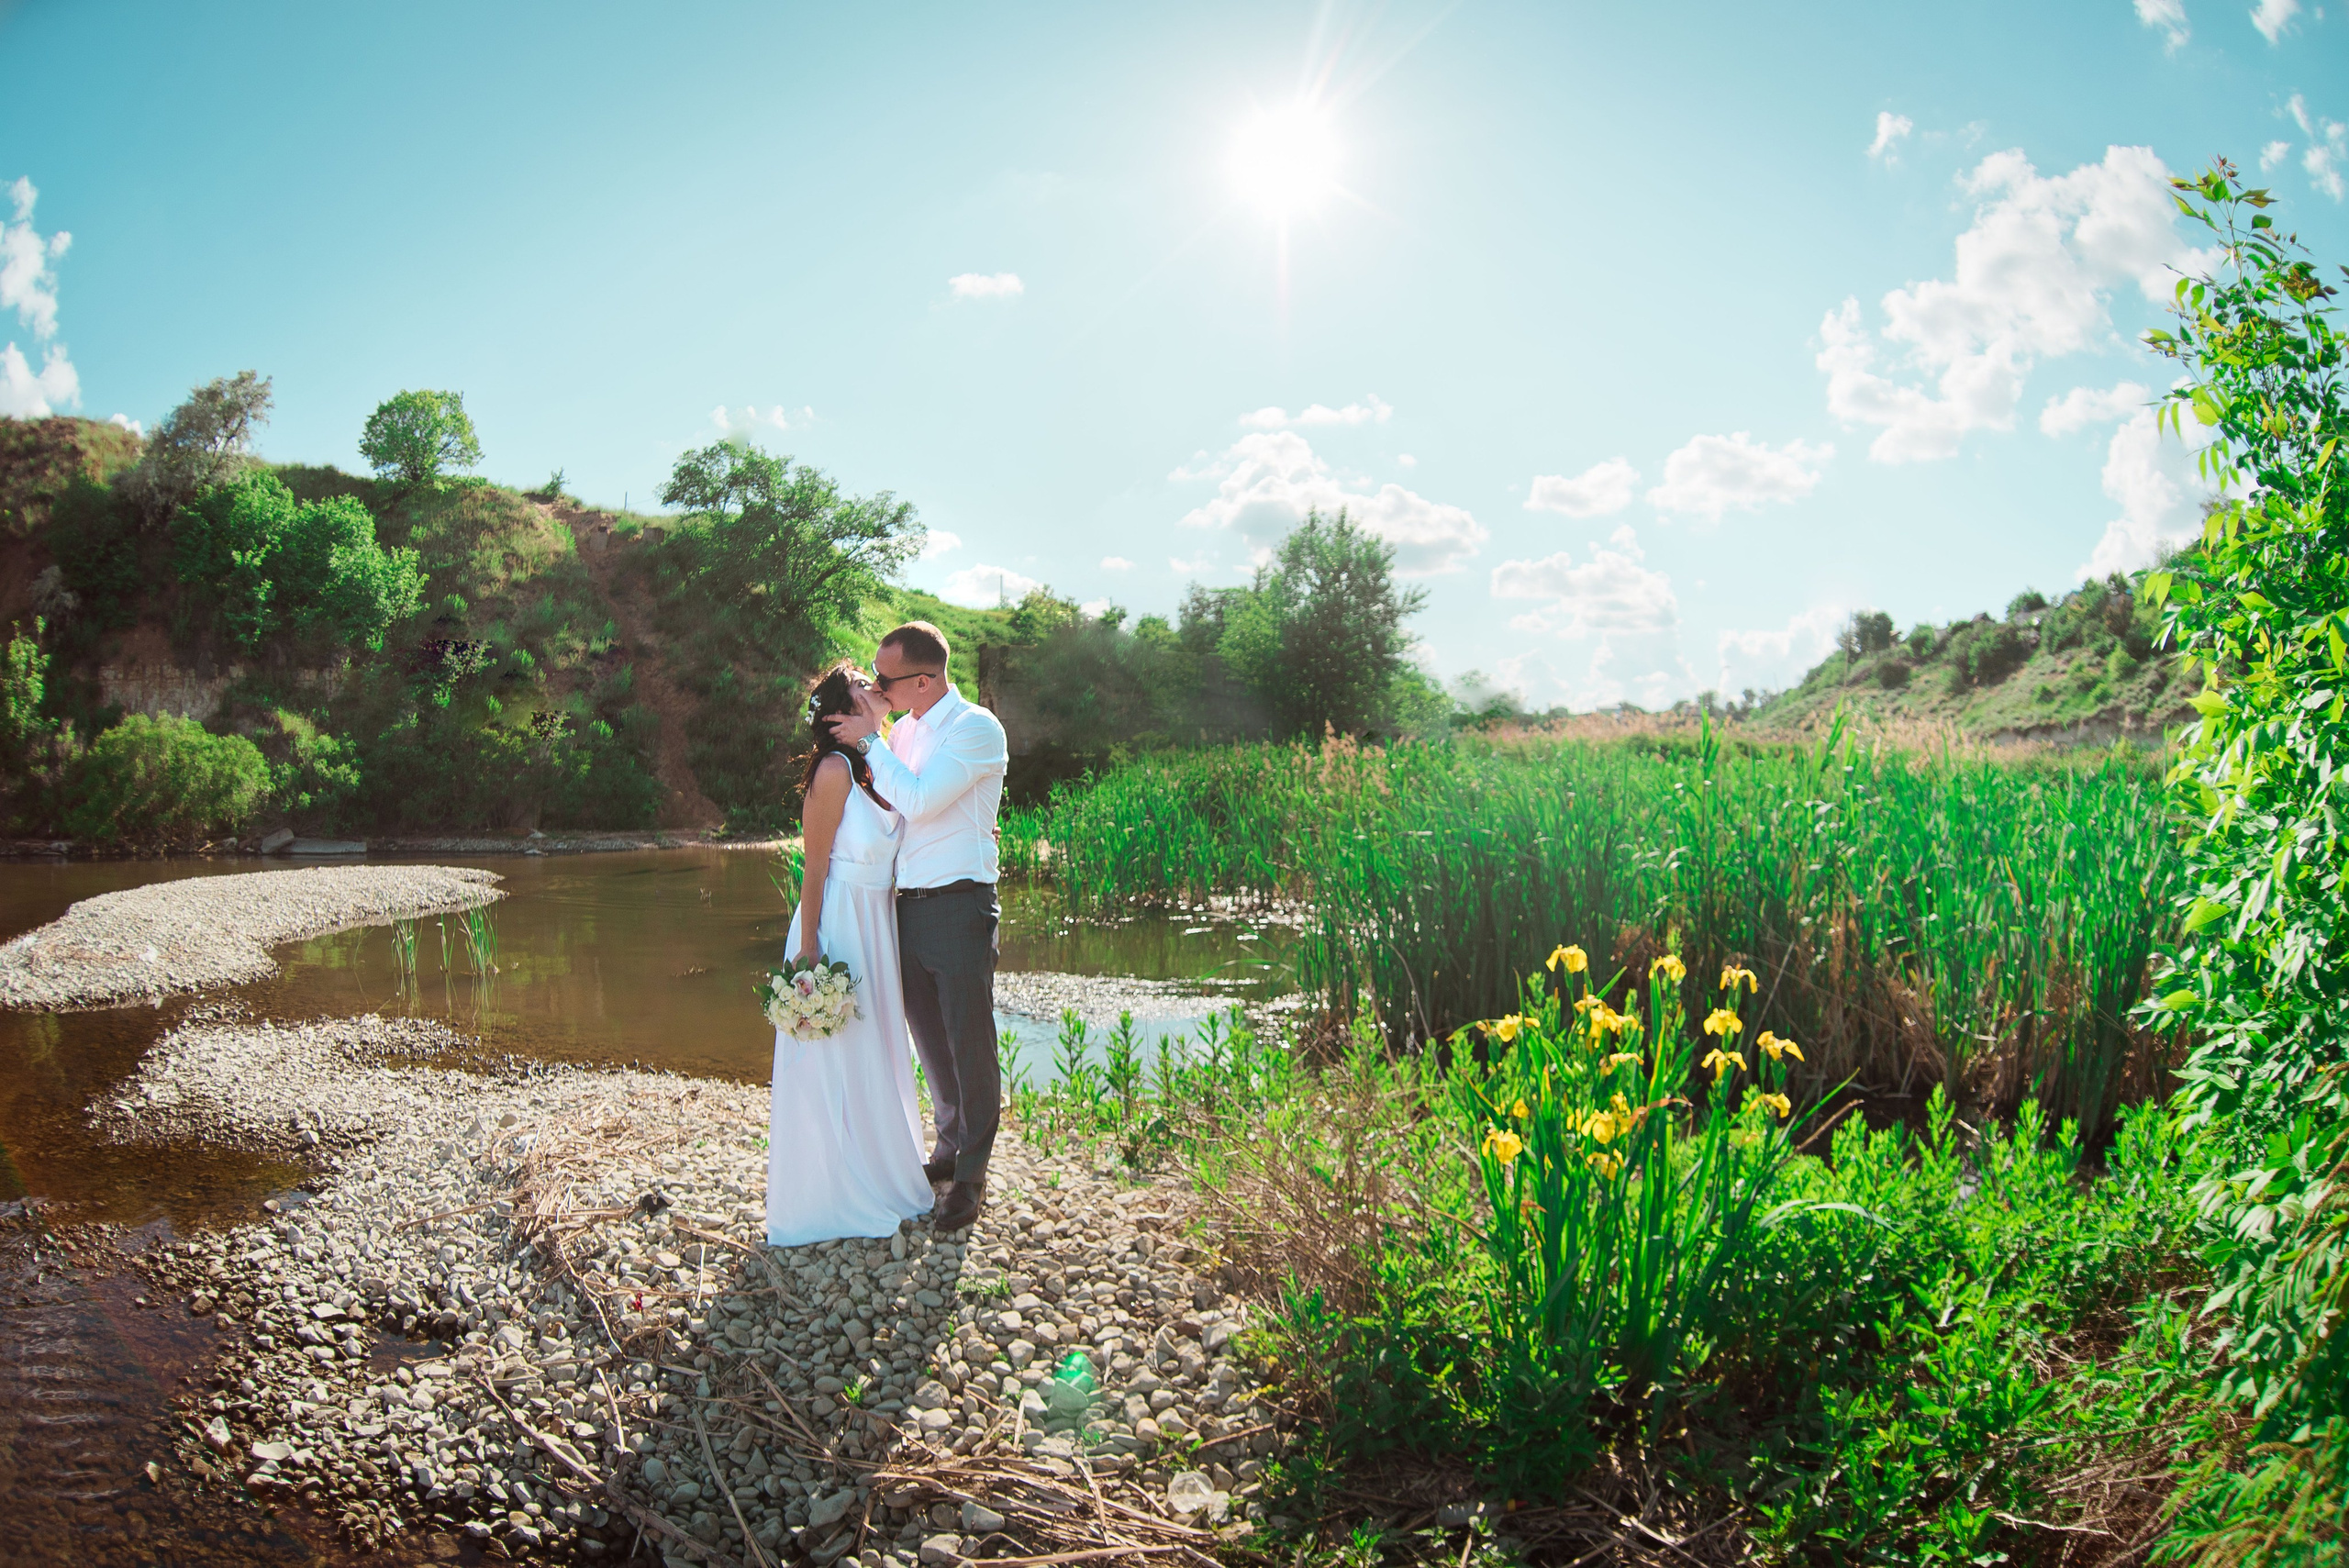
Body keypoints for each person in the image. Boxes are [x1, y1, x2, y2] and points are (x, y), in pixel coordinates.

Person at [826, 620, 1008, 1232]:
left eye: (886, 679)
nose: (878, 686)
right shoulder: (901, 731)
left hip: (960, 902)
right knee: (930, 1040)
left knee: (969, 1040)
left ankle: (972, 1175)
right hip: (905, 905)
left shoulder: (975, 727)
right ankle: (948, 1147)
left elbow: (923, 799)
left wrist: (871, 740)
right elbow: (891, 809)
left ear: (924, 680)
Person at [764, 662, 935, 1248]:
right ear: (843, 710)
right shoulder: (835, 770)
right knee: (836, 1056)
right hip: (838, 924)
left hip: (877, 927)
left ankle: (882, 1170)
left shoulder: (875, 765)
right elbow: (814, 868)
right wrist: (809, 950)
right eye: (865, 682)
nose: (876, 686)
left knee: (877, 1046)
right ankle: (829, 1192)